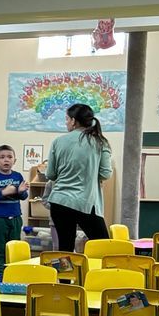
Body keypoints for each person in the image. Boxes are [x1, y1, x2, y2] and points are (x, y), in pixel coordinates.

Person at [46, 102, 114, 251]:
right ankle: (103, 274)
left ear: (73, 121)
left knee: (65, 249)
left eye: (66, 119)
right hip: (87, 202)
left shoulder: (58, 141)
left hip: (60, 202)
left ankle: (65, 275)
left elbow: (50, 174)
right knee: (103, 246)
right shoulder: (100, 141)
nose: (66, 123)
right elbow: (105, 173)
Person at [0, 144, 26, 279]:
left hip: (15, 218)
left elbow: (24, 196)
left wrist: (20, 191)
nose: (6, 160)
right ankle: (0, 277)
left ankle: (13, 274)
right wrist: (3, 192)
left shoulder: (18, 176)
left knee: (14, 247)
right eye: (2, 157)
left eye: (9, 157)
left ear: (15, 160)